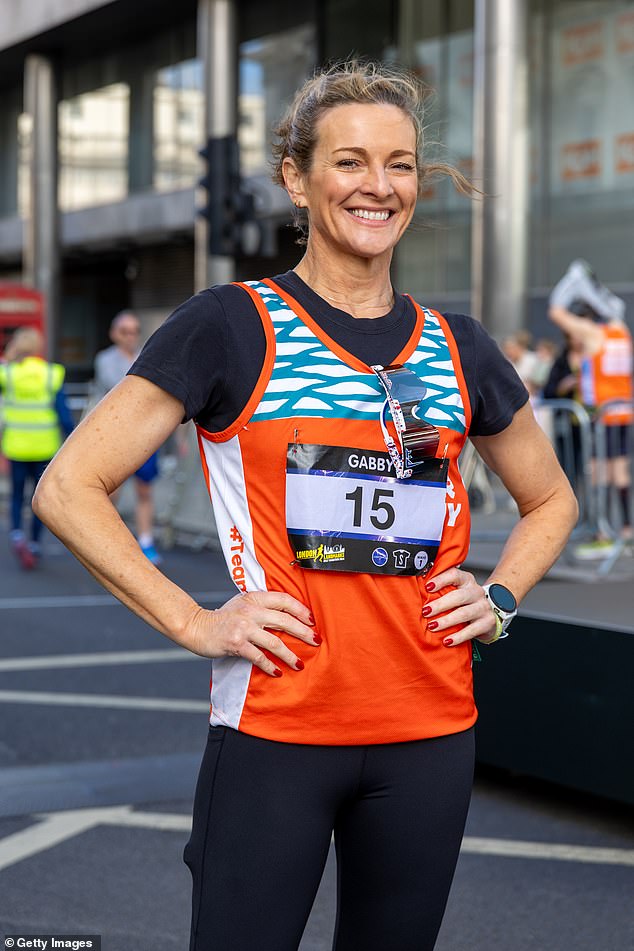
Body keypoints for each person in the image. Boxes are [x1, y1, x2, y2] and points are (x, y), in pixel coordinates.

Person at [34, 62, 578, 951]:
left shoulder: (457, 345)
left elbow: (551, 497)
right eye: (352, 162)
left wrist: (503, 597)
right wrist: (196, 620)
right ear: (297, 176)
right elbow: (68, 486)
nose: (378, 186)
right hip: (277, 728)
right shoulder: (229, 324)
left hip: (430, 729)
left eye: (400, 164)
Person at [549, 260, 633, 553]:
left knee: (598, 473)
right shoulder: (621, 331)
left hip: (602, 415)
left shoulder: (593, 334)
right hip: (622, 412)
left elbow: (556, 310)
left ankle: (603, 533)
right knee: (619, 473)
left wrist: (572, 283)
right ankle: (623, 531)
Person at [0, 327, 73, 569]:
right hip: (45, 445)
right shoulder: (51, 374)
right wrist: (71, 439)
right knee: (40, 496)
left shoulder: (8, 374)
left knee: (17, 495)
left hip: (16, 445)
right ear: (39, 347)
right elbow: (63, 414)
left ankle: (17, 534)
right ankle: (34, 543)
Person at [93, 310, 162, 564]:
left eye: (135, 330)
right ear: (114, 334)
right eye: (125, 331)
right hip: (116, 436)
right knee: (112, 494)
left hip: (146, 435)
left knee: (145, 491)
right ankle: (110, 545)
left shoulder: (147, 354)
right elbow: (122, 388)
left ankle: (146, 542)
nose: (131, 336)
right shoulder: (106, 359)